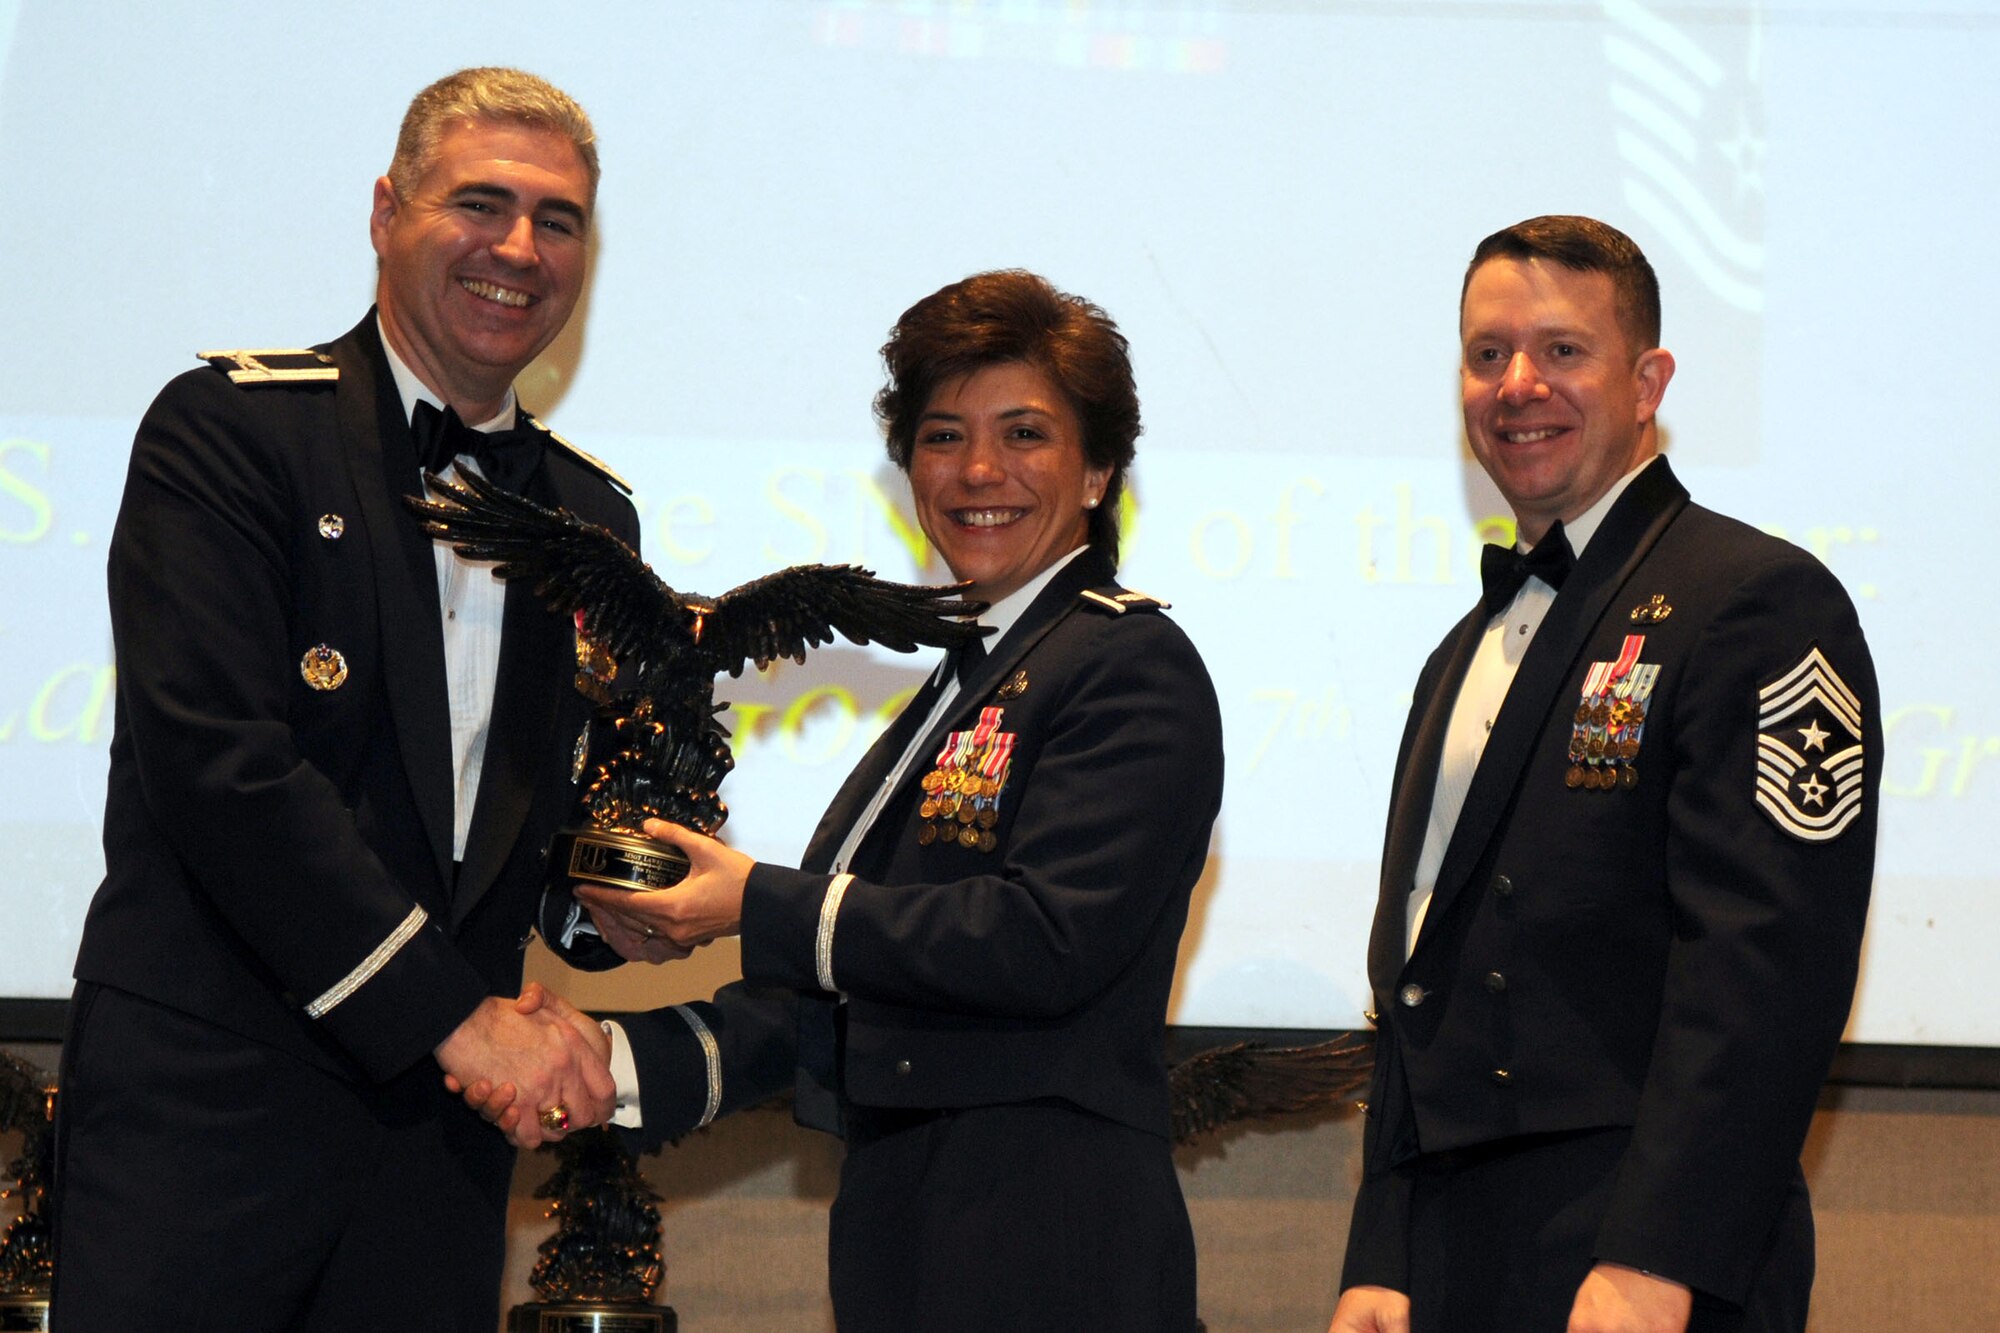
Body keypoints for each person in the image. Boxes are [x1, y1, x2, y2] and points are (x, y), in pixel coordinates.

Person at [472, 269, 1224, 1331]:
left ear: (1099, 468)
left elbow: (1040, 939)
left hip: (1050, 1246)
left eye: (1024, 435)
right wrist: (609, 1062)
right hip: (915, 1241)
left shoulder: (1127, 662)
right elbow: (847, 999)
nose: (975, 471)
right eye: (939, 435)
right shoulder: (967, 678)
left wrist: (754, 902)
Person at [51, 68, 633, 1331]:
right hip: (208, 1121)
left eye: (559, 219)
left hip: (435, 1158)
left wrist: (614, 908)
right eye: (480, 203)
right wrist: (455, 1020)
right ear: (385, 212)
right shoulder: (230, 434)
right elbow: (221, 772)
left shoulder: (593, 518)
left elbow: (531, 826)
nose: (519, 249)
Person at [1329, 216, 1879, 1333]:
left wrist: (1654, 1258)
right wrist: (1379, 1252)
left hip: (1637, 1252)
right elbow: (1417, 970)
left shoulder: (1755, 600)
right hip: (1451, 1249)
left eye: (1561, 350)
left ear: (1647, 381)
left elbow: (1763, 965)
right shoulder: (1463, 649)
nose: (1517, 384)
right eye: (1487, 354)